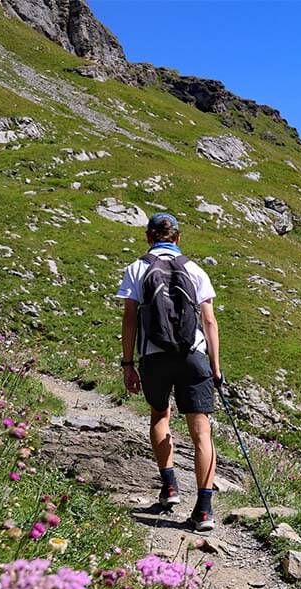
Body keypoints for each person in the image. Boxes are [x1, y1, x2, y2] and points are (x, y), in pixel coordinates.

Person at [115, 212, 222, 531]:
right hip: (193, 356)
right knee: (201, 431)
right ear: (177, 239)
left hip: (154, 357)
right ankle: (204, 510)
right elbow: (210, 321)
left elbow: (130, 319)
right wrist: (216, 368)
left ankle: (170, 488)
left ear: (149, 237)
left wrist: (128, 364)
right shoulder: (195, 269)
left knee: (160, 415)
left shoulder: (137, 268)